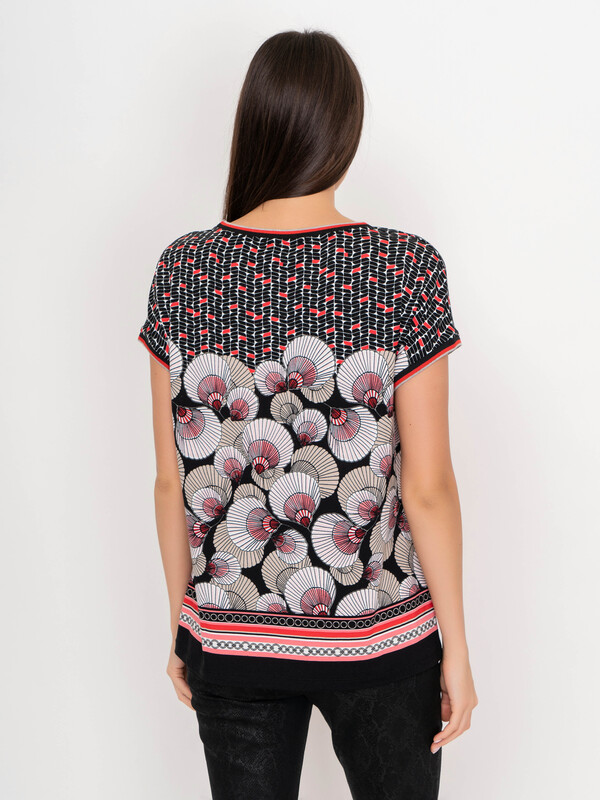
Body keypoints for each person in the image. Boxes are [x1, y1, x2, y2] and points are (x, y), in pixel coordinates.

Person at [137, 28, 478, 800]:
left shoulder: (183, 271)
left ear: (255, 123)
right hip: (381, 634)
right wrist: (457, 648)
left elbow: (170, 482)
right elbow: (428, 487)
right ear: (344, 129)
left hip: (232, 637)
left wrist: (185, 624)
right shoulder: (403, 268)